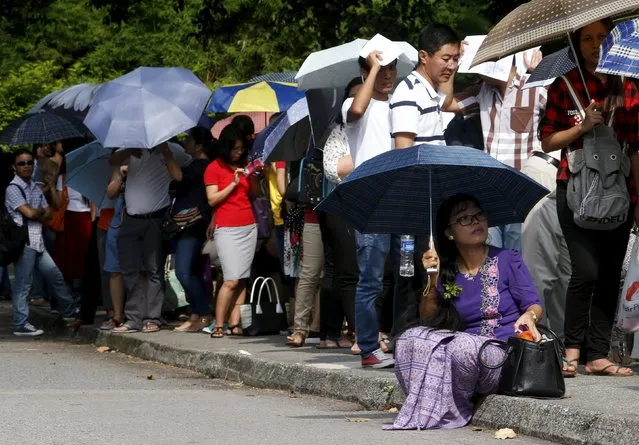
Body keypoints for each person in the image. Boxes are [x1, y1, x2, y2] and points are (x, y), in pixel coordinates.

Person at [386, 193, 543, 430]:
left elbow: (533, 303)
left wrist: (529, 316)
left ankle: (454, 408)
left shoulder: (507, 259)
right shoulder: (445, 269)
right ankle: (429, 408)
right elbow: (429, 320)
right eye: (464, 218)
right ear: (449, 232)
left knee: (461, 347)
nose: (475, 221)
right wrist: (432, 277)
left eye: (478, 214)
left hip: (502, 354)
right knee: (409, 338)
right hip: (462, 352)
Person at [539, 19, 639, 377]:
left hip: (619, 193)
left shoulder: (629, 87)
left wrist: (638, 198)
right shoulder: (563, 87)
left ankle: (598, 355)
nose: (596, 45)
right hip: (576, 190)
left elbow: (635, 149)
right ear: (576, 43)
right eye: (588, 38)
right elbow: (547, 141)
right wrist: (580, 127)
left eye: (602, 37)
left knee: (611, 272)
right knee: (585, 271)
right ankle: (572, 348)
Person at [389, 23, 461, 341]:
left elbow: (449, 102)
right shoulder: (408, 92)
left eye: (456, 58)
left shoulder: (429, 91)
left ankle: (423, 336)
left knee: (430, 271)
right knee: (413, 272)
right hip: (415, 199)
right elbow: (404, 152)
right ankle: (406, 339)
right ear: (424, 56)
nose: (452, 65)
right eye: (446, 58)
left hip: (432, 196)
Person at [448, 53, 547, 250]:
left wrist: (540, 72)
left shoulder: (536, 86)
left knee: (518, 253)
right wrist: (454, 65)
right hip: (489, 186)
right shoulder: (481, 91)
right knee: (489, 252)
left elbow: (563, 110)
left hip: (522, 187)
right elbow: (447, 104)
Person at [342, 44, 398, 368]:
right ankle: (367, 348)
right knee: (371, 279)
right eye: (380, 67)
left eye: (391, 67)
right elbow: (357, 112)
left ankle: (401, 340)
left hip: (399, 198)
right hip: (370, 200)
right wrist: (373, 68)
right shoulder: (353, 102)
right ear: (366, 70)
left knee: (408, 274)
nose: (387, 74)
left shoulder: (400, 105)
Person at [109, 143, 186, 333]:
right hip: (130, 218)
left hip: (155, 219)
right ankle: (133, 318)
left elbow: (178, 176)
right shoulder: (127, 150)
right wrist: (128, 151)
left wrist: (166, 153)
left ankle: (153, 318)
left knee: (154, 270)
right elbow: (112, 162)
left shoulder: (172, 148)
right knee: (129, 270)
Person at [5, 149, 77, 336]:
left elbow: (49, 213)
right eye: (21, 163)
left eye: (29, 162)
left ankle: (70, 312)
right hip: (24, 244)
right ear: (14, 167)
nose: (27, 166)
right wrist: (37, 212)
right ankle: (20, 324)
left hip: (38, 241)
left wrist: (36, 211)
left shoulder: (34, 187)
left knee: (55, 276)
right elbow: (31, 213)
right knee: (23, 285)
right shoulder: (13, 189)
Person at [205, 125, 259, 338]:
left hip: (248, 224)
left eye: (241, 149)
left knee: (242, 277)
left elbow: (257, 193)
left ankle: (236, 323)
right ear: (226, 148)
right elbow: (212, 199)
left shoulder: (245, 165)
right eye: (235, 149)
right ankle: (219, 323)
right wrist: (233, 184)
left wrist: (254, 175)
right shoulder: (214, 168)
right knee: (230, 279)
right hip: (226, 227)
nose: (238, 153)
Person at [172, 128, 213, 332]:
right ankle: (196, 315)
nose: (185, 143)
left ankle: (204, 313)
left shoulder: (201, 166)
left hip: (192, 224)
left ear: (198, 146)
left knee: (183, 271)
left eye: (189, 140)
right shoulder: (197, 165)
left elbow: (178, 177)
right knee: (193, 270)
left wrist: (164, 152)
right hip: (190, 224)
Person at [100, 165, 127, 330]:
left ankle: (139, 314)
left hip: (141, 217)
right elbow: (110, 192)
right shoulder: (120, 162)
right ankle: (117, 315)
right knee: (115, 270)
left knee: (140, 270)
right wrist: (121, 174)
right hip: (119, 220)